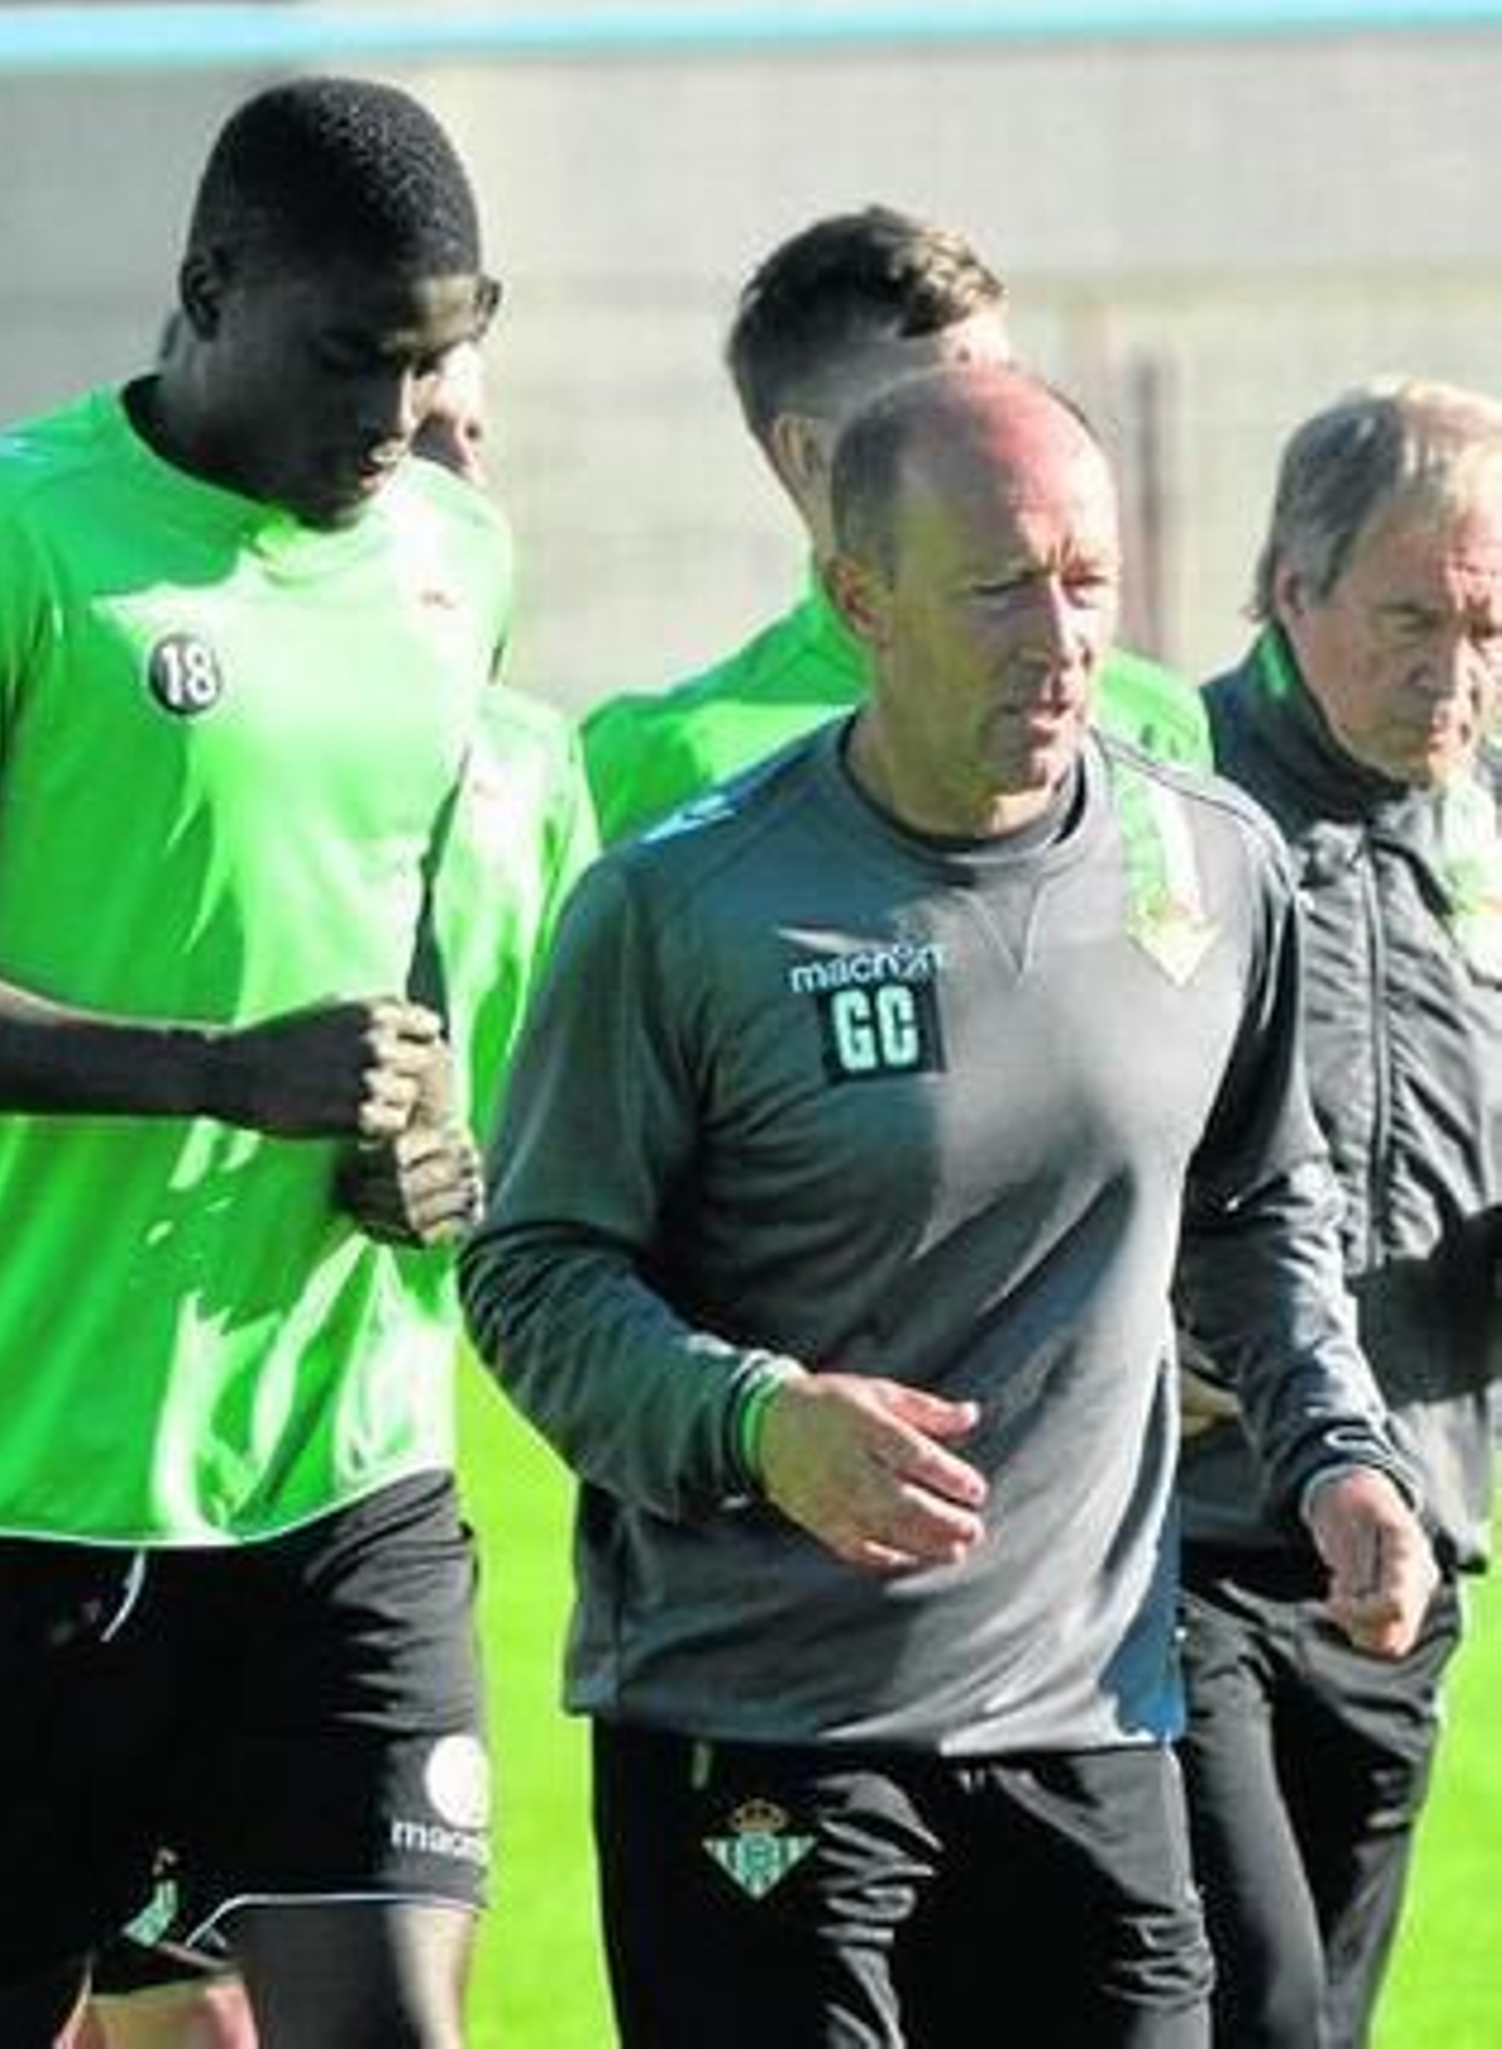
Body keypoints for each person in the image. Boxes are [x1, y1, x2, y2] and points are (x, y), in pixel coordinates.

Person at [459, 362, 1436, 2049]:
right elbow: (534, 1272)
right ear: (859, 598)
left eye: (1086, 582)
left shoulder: (1208, 863)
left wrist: (1333, 1443)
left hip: (1090, 1723)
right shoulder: (684, 903)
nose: (1058, 641)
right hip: (759, 1731)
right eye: (996, 587)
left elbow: (1259, 1192)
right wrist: (756, 1417)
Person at [0, 75, 512, 2049]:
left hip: (342, 1460)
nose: (400, 417)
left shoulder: (449, 560)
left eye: (437, 364)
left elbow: (391, 940)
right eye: (355, 357)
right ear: (208, 285)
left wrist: (430, 1140)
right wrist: (204, 1071)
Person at [1175, 379, 1502, 2049]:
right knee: (1259, 2007)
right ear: (1290, 588)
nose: (1455, 672)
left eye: (1493, 625)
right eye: (1412, 618)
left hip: (1412, 1549)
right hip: (1187, 1536)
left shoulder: (1497, 822)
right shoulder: (1162, 807)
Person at [582, 206, 1210, 847]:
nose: (1002, 431)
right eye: (943, 401)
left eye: (1009, 387)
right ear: (807, 453)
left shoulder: (1154, 722)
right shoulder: (667, 760)